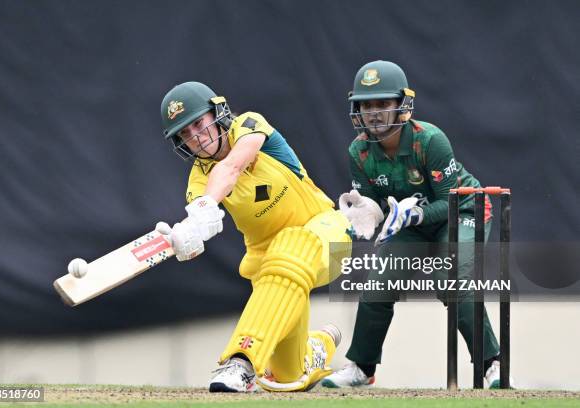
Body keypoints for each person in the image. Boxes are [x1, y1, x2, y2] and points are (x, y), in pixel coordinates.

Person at [156, 81, 352, 392]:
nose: (195, 136)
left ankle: (240, 362)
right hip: (273, 269)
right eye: (185, 133)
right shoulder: (197, 181)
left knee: (290, 248)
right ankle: (317, 347)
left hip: (326, 233)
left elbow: (232, 166)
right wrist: (188, 237)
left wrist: (206, 207)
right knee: (288, 377)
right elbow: (202, 214)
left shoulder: (248, 124)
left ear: (217, 113)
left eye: (198, 123)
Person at [322, 61, 504, 389]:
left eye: (383, 104)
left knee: (451, 280)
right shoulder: (358, 151)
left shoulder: (429, 140)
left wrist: (412, 216)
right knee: (377, 284)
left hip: (462, 210)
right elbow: (375, 202)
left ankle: (493, 364)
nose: (374, 113)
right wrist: (368, 212)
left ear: (402, 106)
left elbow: (447, 201)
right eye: (367, 104)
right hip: (413, 221)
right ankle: (362, 368)